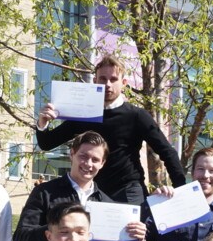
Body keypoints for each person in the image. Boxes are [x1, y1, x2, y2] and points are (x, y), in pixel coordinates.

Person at [34, 54, 186, 205]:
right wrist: (43, 123)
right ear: (95, 81)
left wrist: (181, 190)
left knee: (137, 229)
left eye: (113, 79)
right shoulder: (84, 113)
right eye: (103, 79)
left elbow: (166, 151)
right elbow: (47, 143)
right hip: (93, 192)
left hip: (129, 191)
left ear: (124, 83)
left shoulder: (137, 115)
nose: (108, 84)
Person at [14, 131, 146, 241]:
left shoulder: (107, 205)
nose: (88, 164)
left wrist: (137, 240)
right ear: (72, 155)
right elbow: (21, 239)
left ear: (102, 163)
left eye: (95, 159)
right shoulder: (45, 192)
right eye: (83, 156)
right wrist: (57, 230)